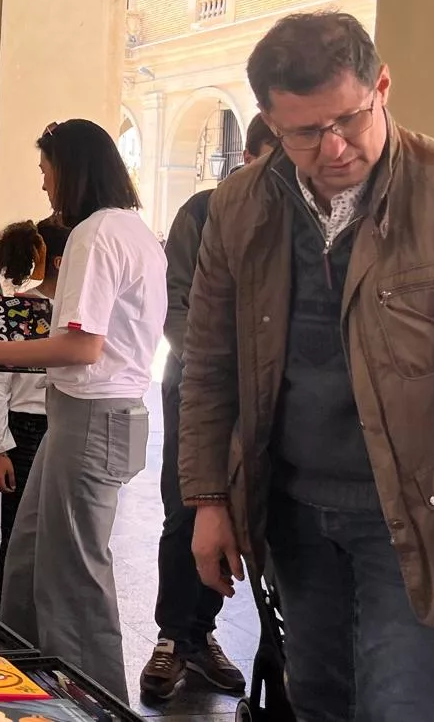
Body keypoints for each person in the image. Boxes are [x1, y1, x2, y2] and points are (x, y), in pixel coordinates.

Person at [179, 12, 434, 721]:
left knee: (397, 709)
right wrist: (209, 500)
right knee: (320, 701)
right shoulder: (239, 208)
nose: (334, 148)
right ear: (266, 121)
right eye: (304, 132)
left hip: (420, 523)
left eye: (350, 119)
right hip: (294, 515)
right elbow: (207, 363)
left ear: (382, 86)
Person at [0, 119, 165, 701]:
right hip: (85, 414)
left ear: (71, 169)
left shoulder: (96, 235)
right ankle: (22, 688)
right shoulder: (131, 229)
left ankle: (94, 703)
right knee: (28, 565)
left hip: (93, 417)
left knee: (73, 578)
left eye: (45, 170)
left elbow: (82, 345)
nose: (43, 184)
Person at [140, 115, 276, 701]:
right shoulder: (203, 212)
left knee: (241, 519)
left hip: (268, 401)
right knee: (188, 506)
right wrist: (227, 374)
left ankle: (202, 635)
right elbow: (177, 308)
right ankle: (171, 638)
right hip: (198, 389)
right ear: (247, 155)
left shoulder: (297, 217)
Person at [0, 216, 70, 616]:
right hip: (26, 429)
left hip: (68, 426)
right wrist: (1, 448)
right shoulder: (23, 308)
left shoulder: (78, 313)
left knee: (57, 540)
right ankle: (7, 627)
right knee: (16, 537)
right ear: (57, 261)